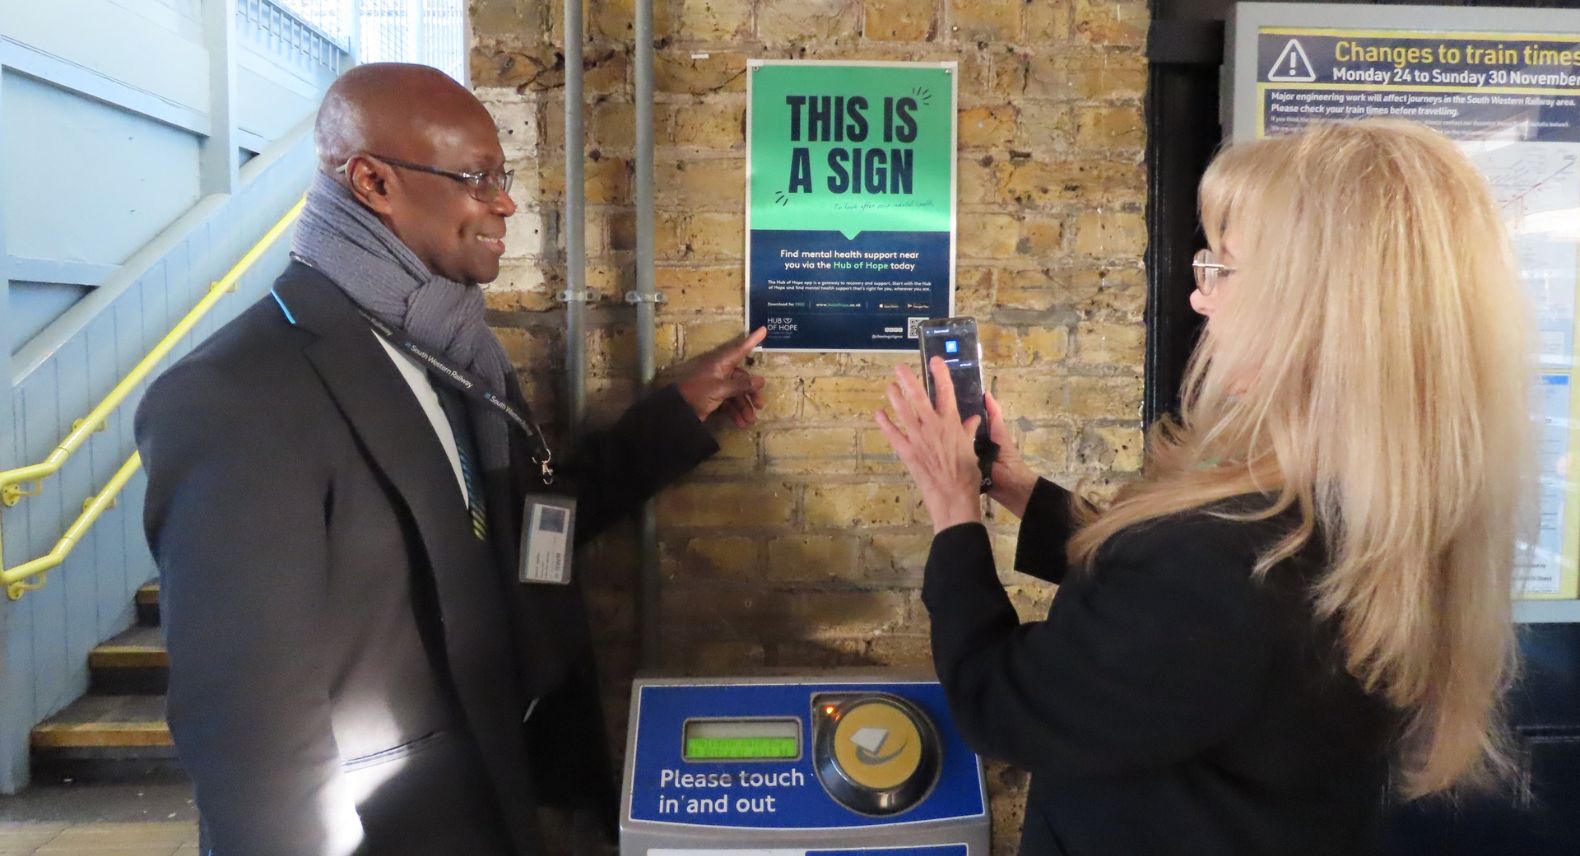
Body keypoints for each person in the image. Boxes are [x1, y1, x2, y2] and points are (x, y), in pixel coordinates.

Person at [135, 63, 765, 856]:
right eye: (476, 179)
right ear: (372, 182)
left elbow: (524, 531)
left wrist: (673, 418)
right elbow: (252, 745)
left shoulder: (451, 352)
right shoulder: (236, 398)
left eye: (502, 177)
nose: (504, 203)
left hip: (506, 794)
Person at [876, 120, 1532, 855]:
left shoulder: (1215, 562)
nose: (1200, 299)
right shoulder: (1374, 502)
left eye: (1223, 268)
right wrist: (1019, 488)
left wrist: (953, 513)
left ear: (1314, 310)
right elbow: (1171, 632)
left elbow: (1004, 705)